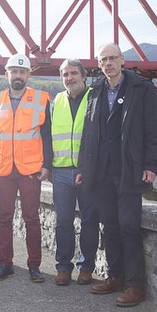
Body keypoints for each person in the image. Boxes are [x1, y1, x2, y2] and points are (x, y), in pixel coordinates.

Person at [77, 42, 157, 307]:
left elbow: (153, 130)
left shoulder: (142, 89)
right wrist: (82, 168)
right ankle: (115, 276)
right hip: (101, 170)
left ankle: (135, 285)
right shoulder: (95, 91)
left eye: (113, 58)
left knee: (128, 227)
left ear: (123, 60)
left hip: (130, 169)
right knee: (110, 226)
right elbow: (88, 134)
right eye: (103, 60)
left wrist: (151, 165)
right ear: (99, 65)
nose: (108, 64)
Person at [0, 53, 51, 283]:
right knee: (3, 218)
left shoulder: (41, 99)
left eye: (22, 72)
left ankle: (34, 266)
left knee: (31, 218)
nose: (18, 75)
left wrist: (47, 164)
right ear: (7, 74)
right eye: (14, 71)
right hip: (3, 168)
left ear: (28, 75)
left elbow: (47, 135)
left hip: (30, 168)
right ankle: (6, 264)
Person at [50, 58, 99, 286]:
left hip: (87, 172)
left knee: (89, 220)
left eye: (73, 73)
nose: (69, 78)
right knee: (64, 222)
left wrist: (86, 168)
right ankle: (63, 267)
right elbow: (48, 137)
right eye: (65, 74)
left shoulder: (95, 97)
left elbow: (98, 138)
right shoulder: (57, 101)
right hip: (60, 171)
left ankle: (86, 267)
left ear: (83, 75)